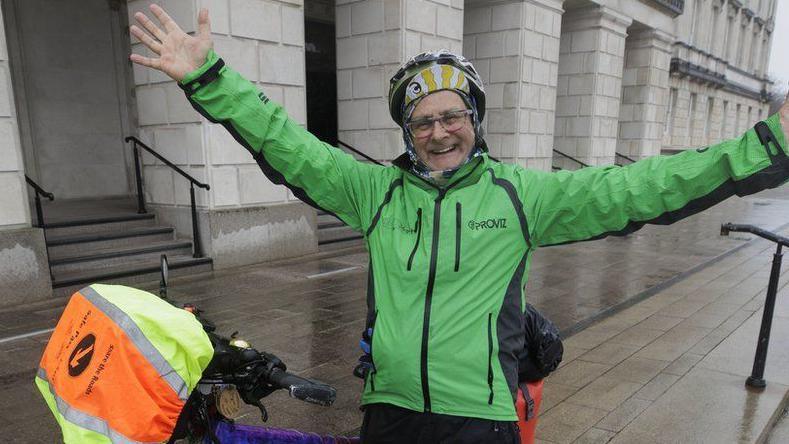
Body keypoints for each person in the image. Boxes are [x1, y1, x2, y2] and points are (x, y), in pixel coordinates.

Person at [130, 4, 789, 443]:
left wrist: (764, 145)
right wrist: (209, 78)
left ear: (473, 120)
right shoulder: (374, 193)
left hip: (479, 421)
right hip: (388, 412)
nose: (438, 130)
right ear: (407, 132)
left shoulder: (517, 194)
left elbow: (643, 185)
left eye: (453, 115)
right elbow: (286, 143)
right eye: (422, 121)